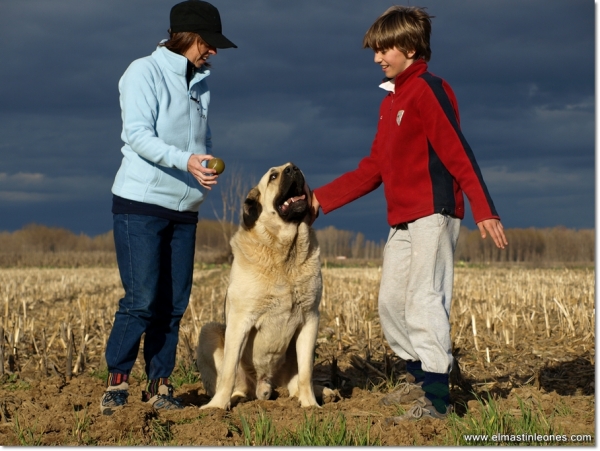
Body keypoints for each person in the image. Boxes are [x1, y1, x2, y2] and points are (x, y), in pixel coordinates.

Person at [309, 6, 508, 421]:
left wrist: (483, 208)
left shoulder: (428, 89)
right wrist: (319, 200)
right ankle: (418, 378)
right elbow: (374, 168)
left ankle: (436, 401)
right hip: (402, 218)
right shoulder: (392, 100)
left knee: (423, 299)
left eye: (383, 49)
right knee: (391, 304)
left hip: (434, 213)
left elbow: (457, 150)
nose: (377, 57)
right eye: (374, 50)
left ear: (411, 48)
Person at [101, 0, 236, 415]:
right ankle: (117, 383)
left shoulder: (200, 83)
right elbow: (138, 135)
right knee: (141, 298)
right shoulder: (144, 71)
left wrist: (204, 168)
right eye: (207, 43)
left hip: (184, 209)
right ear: (186, 38)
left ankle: (160, 384)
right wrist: (185, 161)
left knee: (174, 303)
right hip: (140, 203)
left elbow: (202, 142)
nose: (212, 52)